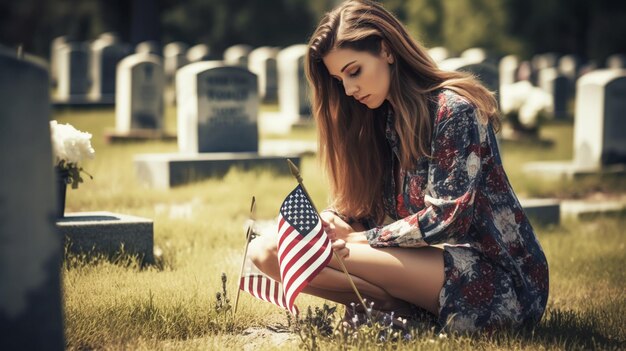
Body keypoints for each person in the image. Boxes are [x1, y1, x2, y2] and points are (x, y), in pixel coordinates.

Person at [249, 0, 548, 334]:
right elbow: (376, 210)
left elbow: (446, 222)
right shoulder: (381, 119)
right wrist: (337, 222)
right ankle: (395, 310)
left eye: (354, 71)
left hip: (500, 280)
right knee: (265, 253)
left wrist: (360, 239)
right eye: (339, 80)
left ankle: (392, 310)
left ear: (386, 50)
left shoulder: (454, 111)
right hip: (433, 269)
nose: (348, 90)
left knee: (285, 251)